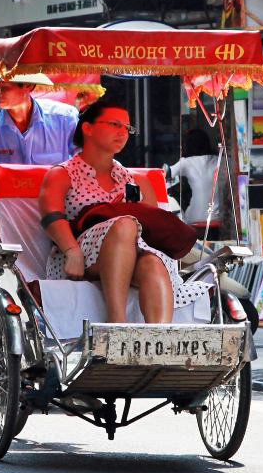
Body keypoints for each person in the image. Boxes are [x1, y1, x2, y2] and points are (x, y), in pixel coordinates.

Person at [39, 98, 210, 324]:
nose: (123, 132)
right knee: (125, 224)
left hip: (135, 253)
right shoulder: (62, 174)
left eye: (127, 127)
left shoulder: (136, 180)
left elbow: (151, 227)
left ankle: (159, 341)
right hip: (80, 255)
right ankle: (117, 324)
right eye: (114, 124)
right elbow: (51, 217)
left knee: (152, 264)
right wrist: (72, 251)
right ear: (87, 128)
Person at [0, 73, 77, 242]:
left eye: (3, 88)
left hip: (58, 212)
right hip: (5, 214)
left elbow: (82, 164)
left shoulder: (65, 118)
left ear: (28, 86)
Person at [166, 128, 221, 225]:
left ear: (187, 145)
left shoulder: (186, 162)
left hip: (195, 217)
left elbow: (165, 174)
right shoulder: (221, 161)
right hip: (220, 217)